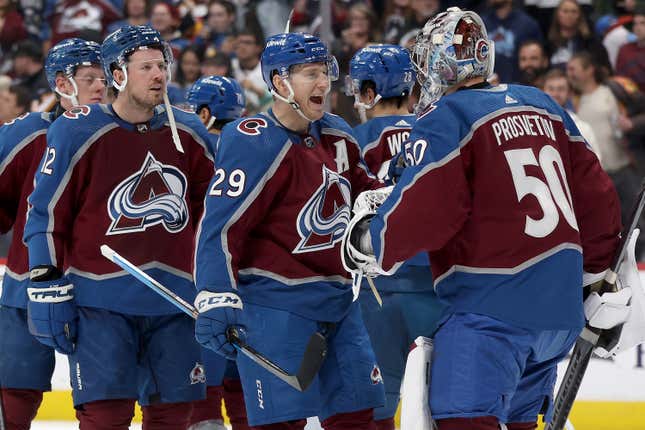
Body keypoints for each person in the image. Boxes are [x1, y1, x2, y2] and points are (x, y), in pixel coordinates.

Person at [343, 7, 625, 429]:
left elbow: (429, 210)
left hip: (490, 312)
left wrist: (372, 239)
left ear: (438, 64)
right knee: (519, 421)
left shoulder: (447, 118)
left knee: (464, 419)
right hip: (557, 314)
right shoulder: (544, 104)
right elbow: (599, 199)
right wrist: (597, 272)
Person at [23, 25, 215, 429]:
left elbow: (215, 217)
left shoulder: (190, 134)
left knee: (173, 415)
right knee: (105, 417)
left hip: (176, 299)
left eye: (162, 65)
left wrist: (221, 283)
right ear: (118, 74)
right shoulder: (77, 130)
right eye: (146, 67)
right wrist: (43, 278)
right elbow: (45, 211)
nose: (159, 75)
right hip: (100, 301)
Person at [193, 32, 385, 429]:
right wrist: (215, 292)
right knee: (282, 424)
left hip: (339, 299)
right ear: (280, 82)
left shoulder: (338, 134)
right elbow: (221, 226)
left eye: (326, 73)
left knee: (360, 417)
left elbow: (369, 196)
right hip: (275, 304)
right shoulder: (253, 140)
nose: (323, 84)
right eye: (311, 74)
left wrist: (403, 191)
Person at [0, 37, 106, 430]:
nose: (101, 87)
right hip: (28, 285)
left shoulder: (128, 135)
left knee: (105, 399)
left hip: (104, 292)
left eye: (107, 78)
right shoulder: (27, 134)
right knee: (14, 387)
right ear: (62, 84)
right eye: (91, 78)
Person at [346, 44, 445, 430]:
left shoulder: (351, 139)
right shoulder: (438, 131)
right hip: (439, 286)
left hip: (378, 291)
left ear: (369, 93)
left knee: (376, 404)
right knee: (443, 408)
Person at [185, 75, 251, 430]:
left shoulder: (193, 147)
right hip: (250, 284)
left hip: (205, 282)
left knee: (204, 388)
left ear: (206, 113)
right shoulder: (255, 145)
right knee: (242, 385)